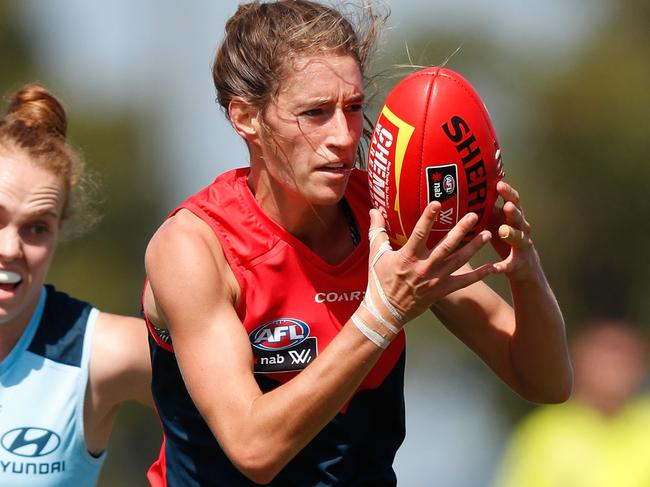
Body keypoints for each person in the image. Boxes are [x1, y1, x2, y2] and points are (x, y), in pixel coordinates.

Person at [142, 1, 573, 485]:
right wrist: (381, 313)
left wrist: (525, 270)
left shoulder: (388, 216)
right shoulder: (196, 247)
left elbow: (546, 381)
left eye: (352, 108)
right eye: (315, 113)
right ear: (246, 118)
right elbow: (254, 448)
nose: (344, 137)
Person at [0, 84, 153, 486]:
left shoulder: (102, 352)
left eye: (37, 228)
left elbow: (256, 424)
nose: (10, 248)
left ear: (59, 232)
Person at [493, 320, 650, 487]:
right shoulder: (544, 432)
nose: (612, 374)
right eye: (603, 363)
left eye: (621, 363)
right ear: (578, 365)